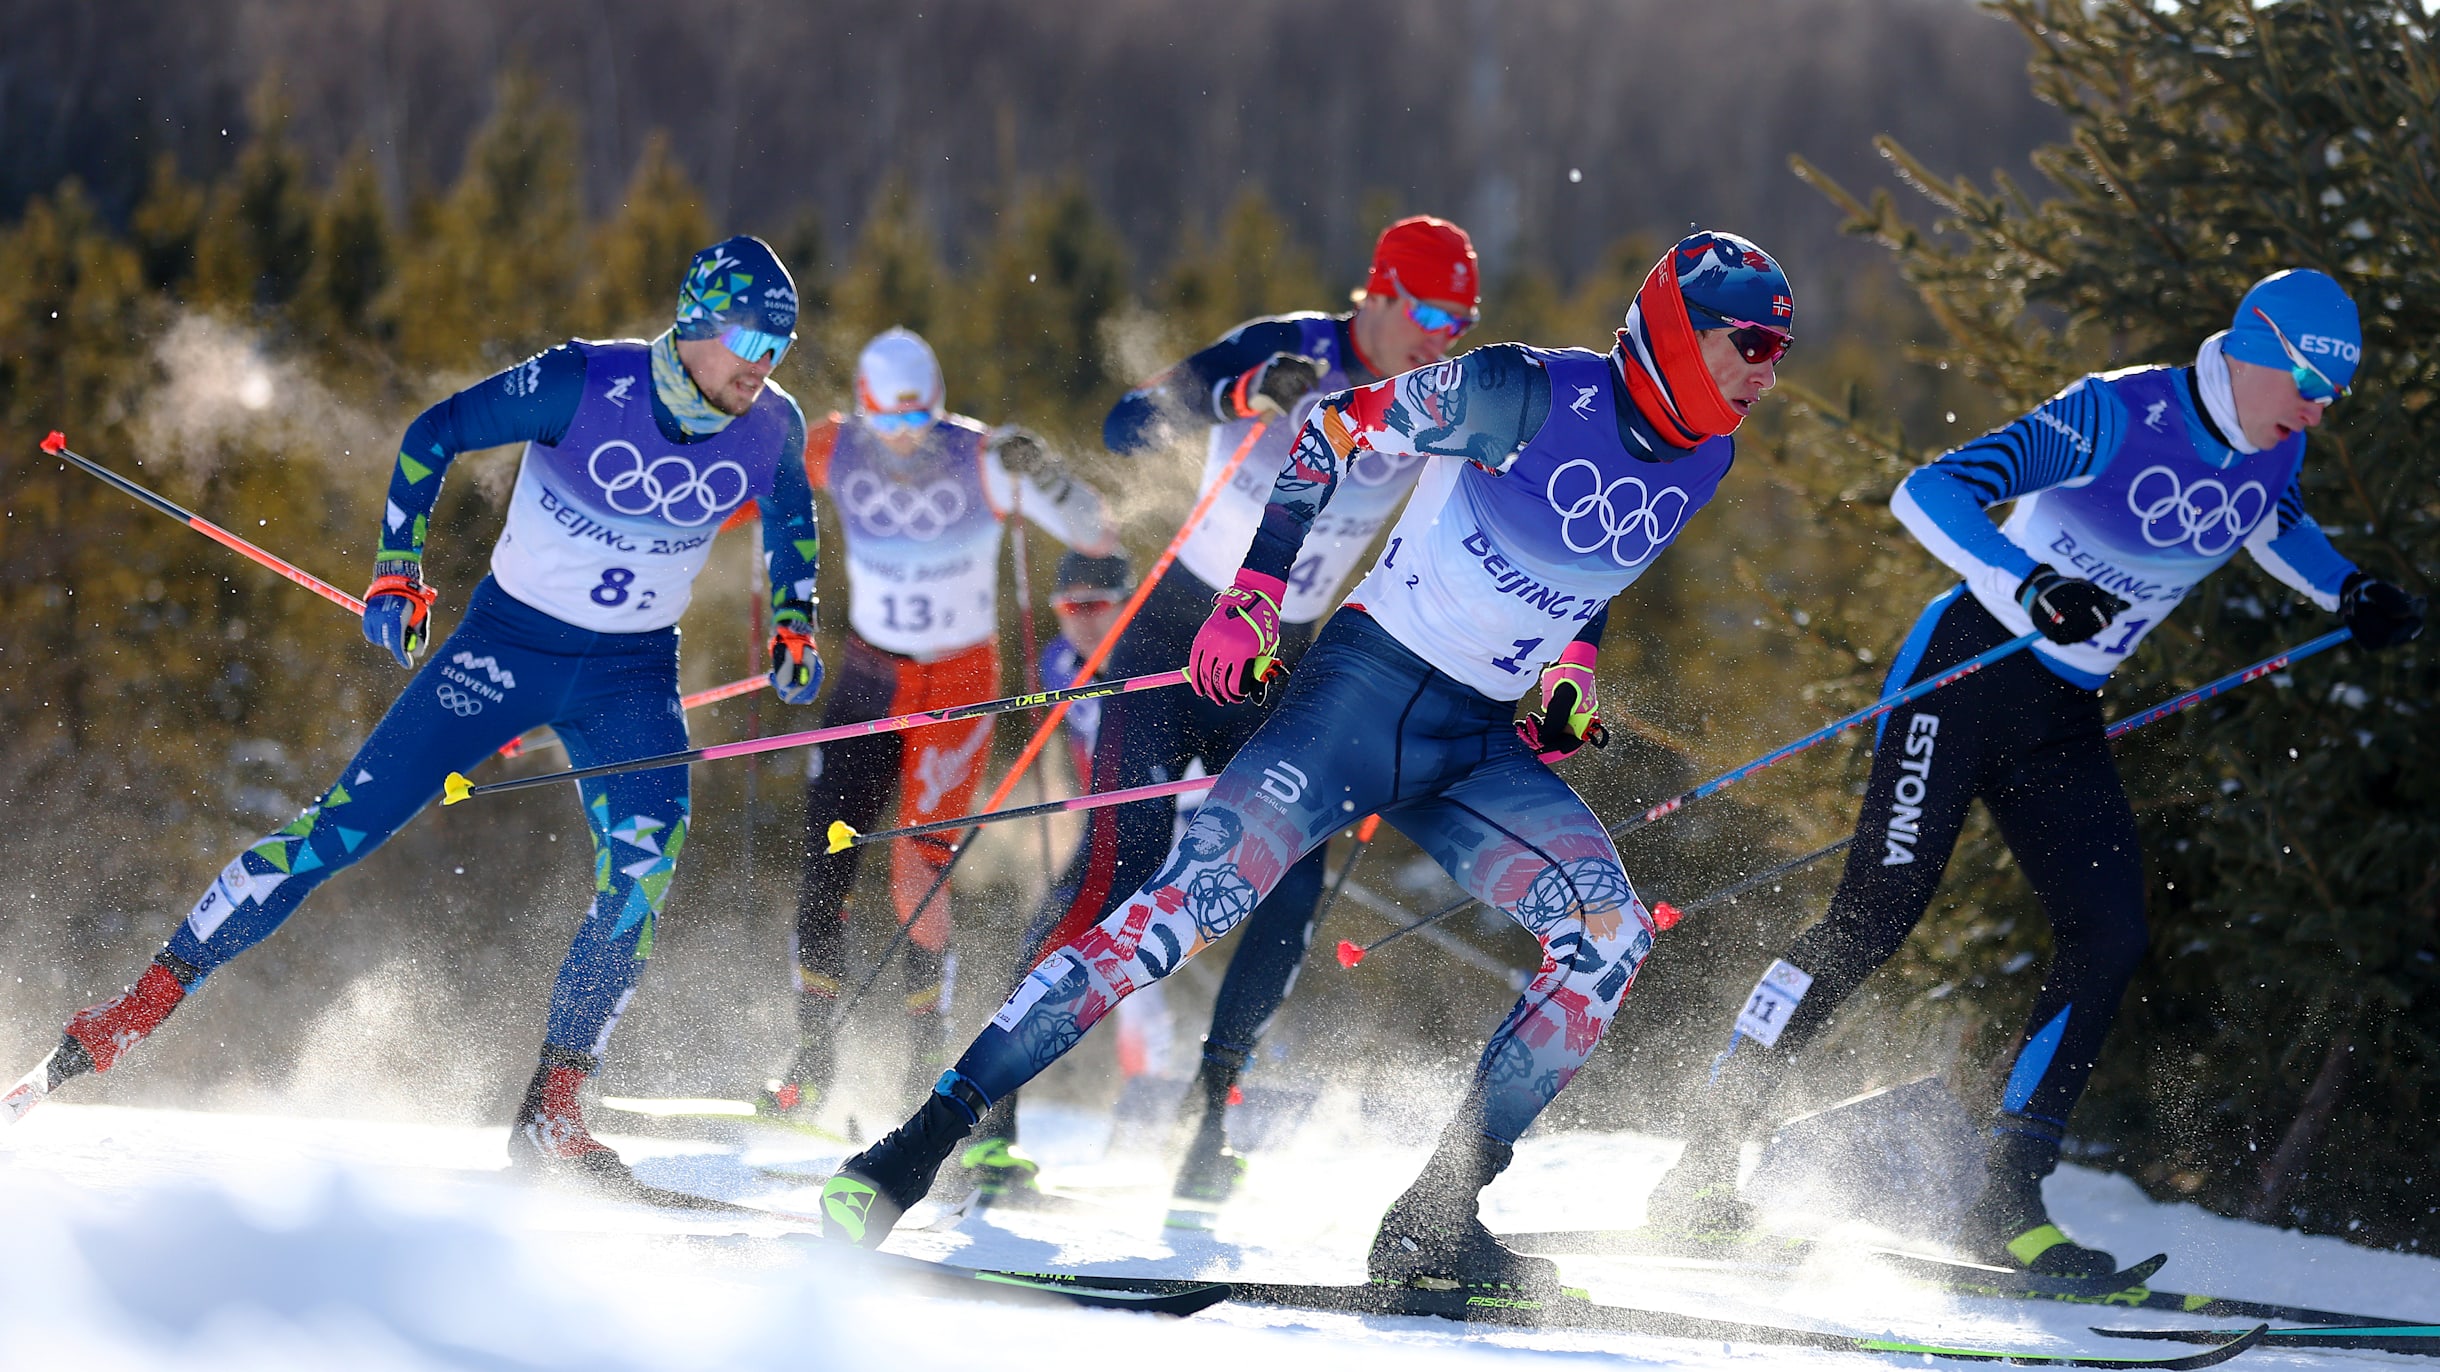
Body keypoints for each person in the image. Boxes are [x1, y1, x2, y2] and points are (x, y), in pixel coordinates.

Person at [819, 231, 1796, 1295]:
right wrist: (1253, 594)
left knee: (1606, 938)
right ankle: (916, 1146)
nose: (1765, 366)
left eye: (1779, 348)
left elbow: (1592, 565)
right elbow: (1330, 431)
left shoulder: (1707, 458)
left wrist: (1571, 664)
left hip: (1470, 743)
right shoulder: (1521, 390)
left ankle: (1435, 1214)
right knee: (1174, 913)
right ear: (1673, 331)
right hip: (1354, 702)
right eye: (1747, 340)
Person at [1, 237, 827, 1198]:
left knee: (641, 875)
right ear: (695, 323)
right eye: (749, 342)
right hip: (505, 652)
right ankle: (133, 1008)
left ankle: (555, 1113)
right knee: (338, 831)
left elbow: (791, 516)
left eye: (780, 346)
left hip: (633, 678)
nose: (762, 366)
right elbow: (434, 433)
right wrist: (400, 568)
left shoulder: (772, 426)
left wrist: (796, 624)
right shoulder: (581, 380)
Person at [1644, 268, 2425, 1276]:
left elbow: (2276, 523)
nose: (2318, 410)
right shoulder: (2115, 411)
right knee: (1874, 913)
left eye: (2332, 396)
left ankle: (2005, 1190)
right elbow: (1928, 491)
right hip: (1964, 672)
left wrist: (2348, 588)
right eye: (2309, 384)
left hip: (2059, 711)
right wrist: (2028, 580)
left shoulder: (2278, 450)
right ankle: (1700, 1161)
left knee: (2109, 930)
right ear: (2257, 349)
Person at [964, 216, 1483, 1207]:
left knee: (1284, 886)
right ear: (1373, 293)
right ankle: (992, 1116)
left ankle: (1211, 1122)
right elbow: (1126, 425)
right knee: (1117, 862)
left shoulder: (1436, 400)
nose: (1439, 337)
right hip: (1176, 630)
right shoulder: (1283, 347)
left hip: (1281, 662)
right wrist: (1241, 395)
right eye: (1425, 312)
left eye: (1457, 322)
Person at [768, 328, 1116, 1111]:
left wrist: (1046, 474)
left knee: (917, 867)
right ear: (862, 409)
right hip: (869, 673)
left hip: (958, 686)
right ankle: (810, 1056)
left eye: (916, 419)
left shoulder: (982, 456)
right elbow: (756, 478)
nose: (901, 438)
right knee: (828, 851)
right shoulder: (835, 445)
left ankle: (925, 1056)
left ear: (937, 405)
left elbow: (1095, 529)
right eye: (886, 422)